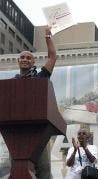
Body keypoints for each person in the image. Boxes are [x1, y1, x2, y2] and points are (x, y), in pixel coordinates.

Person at [14, 27, 56, 179]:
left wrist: (47, 36)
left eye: (28, 58)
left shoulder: (40, 77)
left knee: (43, 170)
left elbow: (52, 57)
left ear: (33, 62)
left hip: (39, 131)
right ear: (18, 61)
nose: (25, 59)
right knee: (20, 170)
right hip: (18, 133)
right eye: (22, 57)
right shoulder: (12, 84)